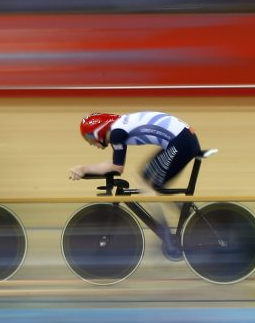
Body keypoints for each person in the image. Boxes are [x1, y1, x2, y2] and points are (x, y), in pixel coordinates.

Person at [69, 111, 204, 262]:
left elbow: (116, 168)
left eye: (89, 138)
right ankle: (187, 213)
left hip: (182, 141)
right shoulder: (118, 129)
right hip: (183, 139)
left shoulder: (116, 133)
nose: (90, 143)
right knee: (148, 180)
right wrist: (85, 169)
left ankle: (165, 233)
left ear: (97, 131)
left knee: (146, 184)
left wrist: (84, 169)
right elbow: (115, 165)